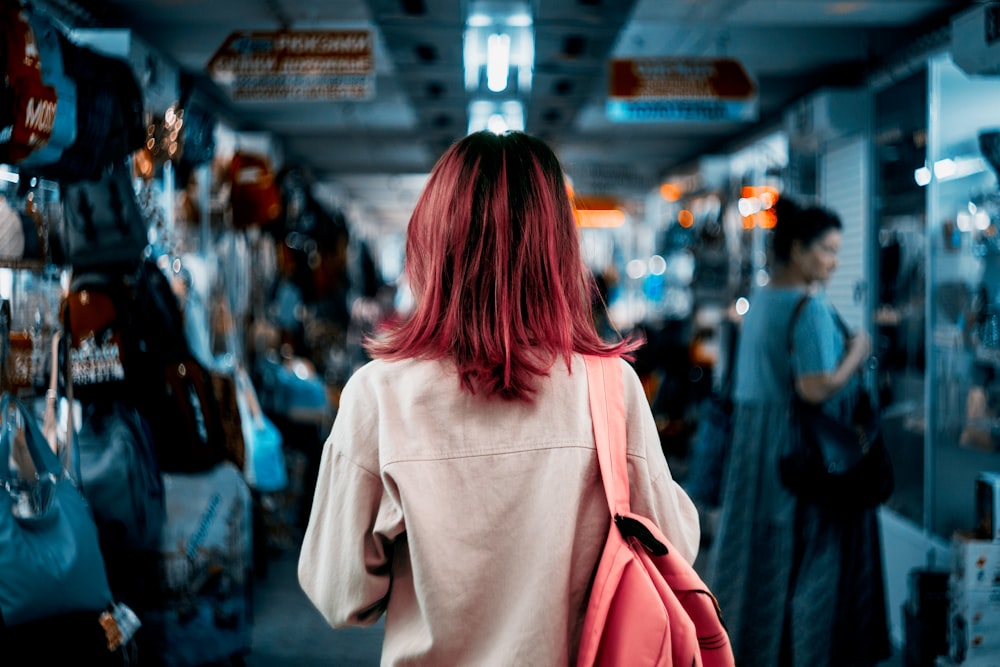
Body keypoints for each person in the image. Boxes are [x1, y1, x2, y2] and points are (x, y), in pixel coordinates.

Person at [297, 130, 700, 665]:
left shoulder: (378, 396)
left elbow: (340, 594)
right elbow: (673, 546)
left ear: (432, 241)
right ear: (559, 248)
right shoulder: (610, 387)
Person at [705, 196, 891, 666]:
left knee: (764, 560)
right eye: (826, 251)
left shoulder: (761, 302)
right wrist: (859, 351)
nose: (831, 263)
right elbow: (814, 388)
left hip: (760, 453)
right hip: (806, 457)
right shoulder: (806, 307)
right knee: (814, 566)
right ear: (797, 249)